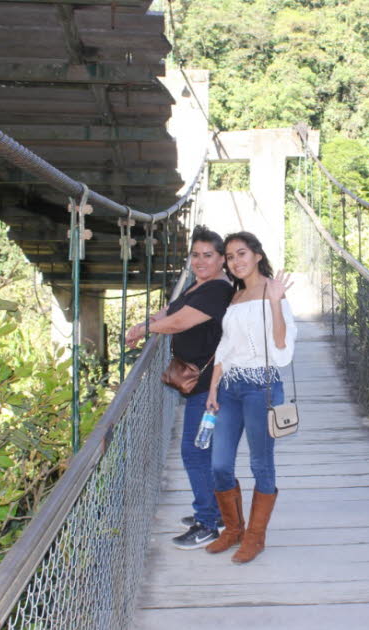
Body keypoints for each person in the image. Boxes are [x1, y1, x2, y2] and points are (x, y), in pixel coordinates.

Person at [125, 225, 233, 550]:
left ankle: (207, 524)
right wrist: (148, 322)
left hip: (212, 387)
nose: (200, 261)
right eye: (195, 255)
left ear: (221, 260)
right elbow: (170, 311)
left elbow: (179, 322)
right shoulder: (197, 285)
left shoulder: (217, 290)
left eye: (208, 256)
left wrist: (142, 328)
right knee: (205, 451)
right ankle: (218, 512)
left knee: (195, 452)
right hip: (200, 384)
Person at [204, 231, 296, 564]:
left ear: (257, 255)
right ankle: (233, 529)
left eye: (241, 253)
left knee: (261, 464)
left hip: (262, 389)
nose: (236, 261)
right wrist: (214, 387)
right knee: (219, 464)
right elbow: (225, 348)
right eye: (229, 257)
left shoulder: (274, 292)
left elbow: (282, 351)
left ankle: (255, 537)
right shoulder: (235, 297)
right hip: (229, 388)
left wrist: (274, 302)